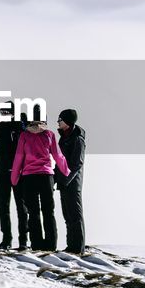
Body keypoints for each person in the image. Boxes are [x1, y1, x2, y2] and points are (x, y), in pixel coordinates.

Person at [11, 108, 69, 250]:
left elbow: (19, 158)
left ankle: (36, 244)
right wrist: (66, 171)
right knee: (48, 212)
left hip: (29, 177)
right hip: (46, 177)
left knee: (33, 212)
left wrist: (14, 178)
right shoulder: (49, 134)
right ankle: (51, 245)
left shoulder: (24, 135)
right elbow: (58, 155)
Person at [0, 107, 28, 249]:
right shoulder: (2, 128)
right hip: (6, 170)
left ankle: (21, 240)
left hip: (15, 170)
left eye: (7, 112)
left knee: (20, 206)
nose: (4, 115)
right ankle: (8, 239)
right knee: (6, 206)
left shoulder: (19, 127)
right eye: (2, 113)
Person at [55, 108, 86, 253]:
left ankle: (78, 247)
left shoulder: (77, 138)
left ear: (67, 121)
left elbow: (77, 164)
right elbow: (60, 161)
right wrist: (56, 177)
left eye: (60, 119)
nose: (58, 122)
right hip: (64, 181)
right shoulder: (64, 137)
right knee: (67, 215)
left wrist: (66, 179)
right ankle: (71, 246)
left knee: (75, 215)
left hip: (72, 183)